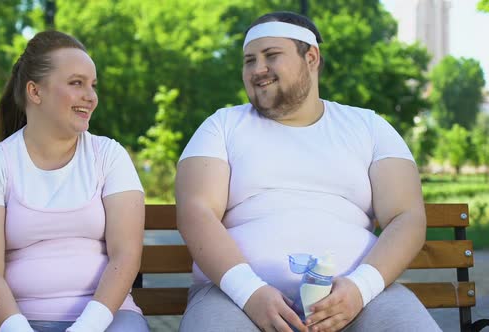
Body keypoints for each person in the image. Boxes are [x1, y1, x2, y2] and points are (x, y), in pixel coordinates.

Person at [176, 11, 441, 332]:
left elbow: (407, 216)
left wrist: (361, 289)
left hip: (361, 298)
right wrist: (249, 292)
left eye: (271, 55)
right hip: (233, 297)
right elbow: (197, 211)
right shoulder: (221, 125)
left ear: (311, 56)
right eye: (249, 60)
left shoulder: (370, 127)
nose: (257, 69)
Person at [0, 30, 148, 332]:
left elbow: (126, 254)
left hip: (107, 318)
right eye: (76, 83)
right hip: (12, 321)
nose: (91, 96)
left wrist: (87, 327)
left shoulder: (109, 156)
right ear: (35, 92)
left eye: (92, 85)